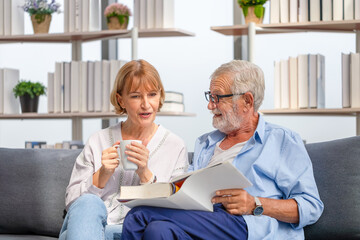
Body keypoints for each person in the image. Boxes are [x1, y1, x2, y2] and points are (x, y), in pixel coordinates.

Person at [121, 60, 324, 240]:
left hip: (247, 225)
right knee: (157, 230)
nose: (210, 105)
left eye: (218, 97)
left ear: (247, 101)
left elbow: (311, 206)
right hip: (205, 222)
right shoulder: (205, 143)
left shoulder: (281, 140)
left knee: (138, 215)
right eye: (210, 96)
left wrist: (255, 203)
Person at [58, 59, 188, 240]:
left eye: (152, 94)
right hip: (88, 224)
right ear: (121, 100)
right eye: (135, 96)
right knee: (88, 202)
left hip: (134, 231)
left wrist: (146, 175)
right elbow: (72, 203)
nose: (146, 104)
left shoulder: (175, 146)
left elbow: (177, 209)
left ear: (160, 97)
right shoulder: (98, 140)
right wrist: (101, 176)